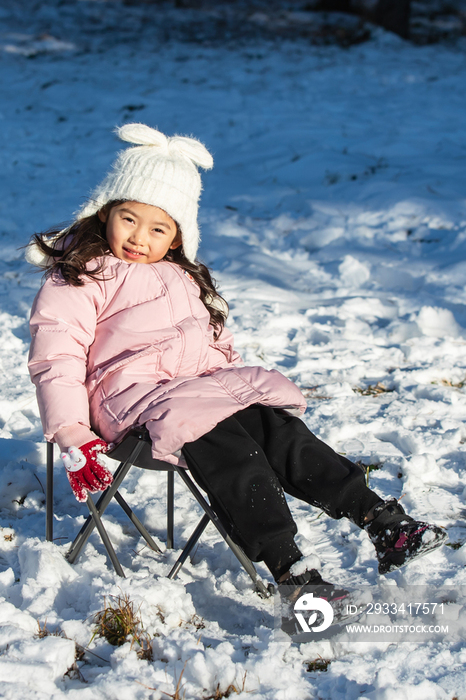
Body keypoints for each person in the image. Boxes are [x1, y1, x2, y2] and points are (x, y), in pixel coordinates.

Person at [27, 123, 445, 600]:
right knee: (226, 442)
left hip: (195, 391)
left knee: (276, 429)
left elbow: (217, 346)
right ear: (105, 211)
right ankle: (292, 571)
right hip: (133, 404)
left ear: (179, 237)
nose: (139, 237)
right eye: (128, 218)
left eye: (158, 228)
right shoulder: (82, 273)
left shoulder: (184, 278)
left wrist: (237, 389)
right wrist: (71, 432)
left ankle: (382, 521)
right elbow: (55, 354)